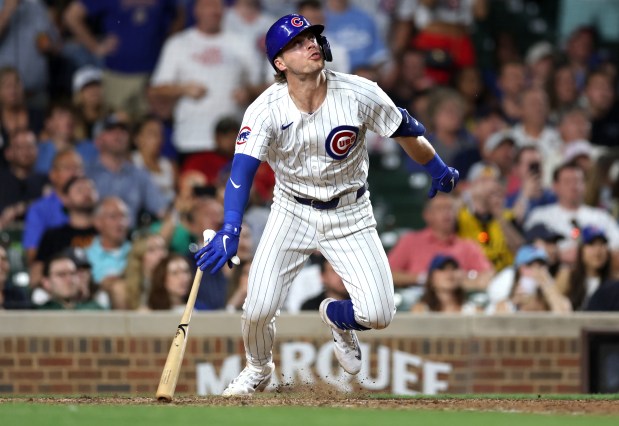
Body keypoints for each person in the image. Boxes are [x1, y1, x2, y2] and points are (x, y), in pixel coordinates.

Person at [194, 14, 459, 396]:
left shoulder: (359, 92)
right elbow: (241, 172)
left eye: (313, 37)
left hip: (350, 211)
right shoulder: (265, 109)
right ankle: (258, 368)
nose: (311, 44)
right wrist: (231, 227)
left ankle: (337, 317)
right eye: (298, 42)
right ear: (280, 63)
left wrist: (436, 167)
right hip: (292, 210)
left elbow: (406, 132)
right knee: (257, 308)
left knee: (380, 314)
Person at [486, 245, 572, 314]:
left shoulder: (551, 297)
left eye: (541, 266)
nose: (536, 271)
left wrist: (547, 286)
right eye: (530, 265)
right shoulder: (505, 304)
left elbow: (564, 316)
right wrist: (512, 303)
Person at [556, 226, 616, 311]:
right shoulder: (568, 276)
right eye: (591, 244)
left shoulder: (614, 281)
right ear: (581, 250)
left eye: (602, 244)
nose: (598, 250)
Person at [410, 255, 481, 314]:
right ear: (431, 278)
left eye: (454, 268)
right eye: (442, 268)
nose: (449, 273)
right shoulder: (420, 311)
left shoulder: (473, 311)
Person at [37, 252, 104, 310]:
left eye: (73, 274)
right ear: (46, 282)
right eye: (61, 275)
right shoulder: (37, 313)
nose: (69, 279)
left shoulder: (95, 309)